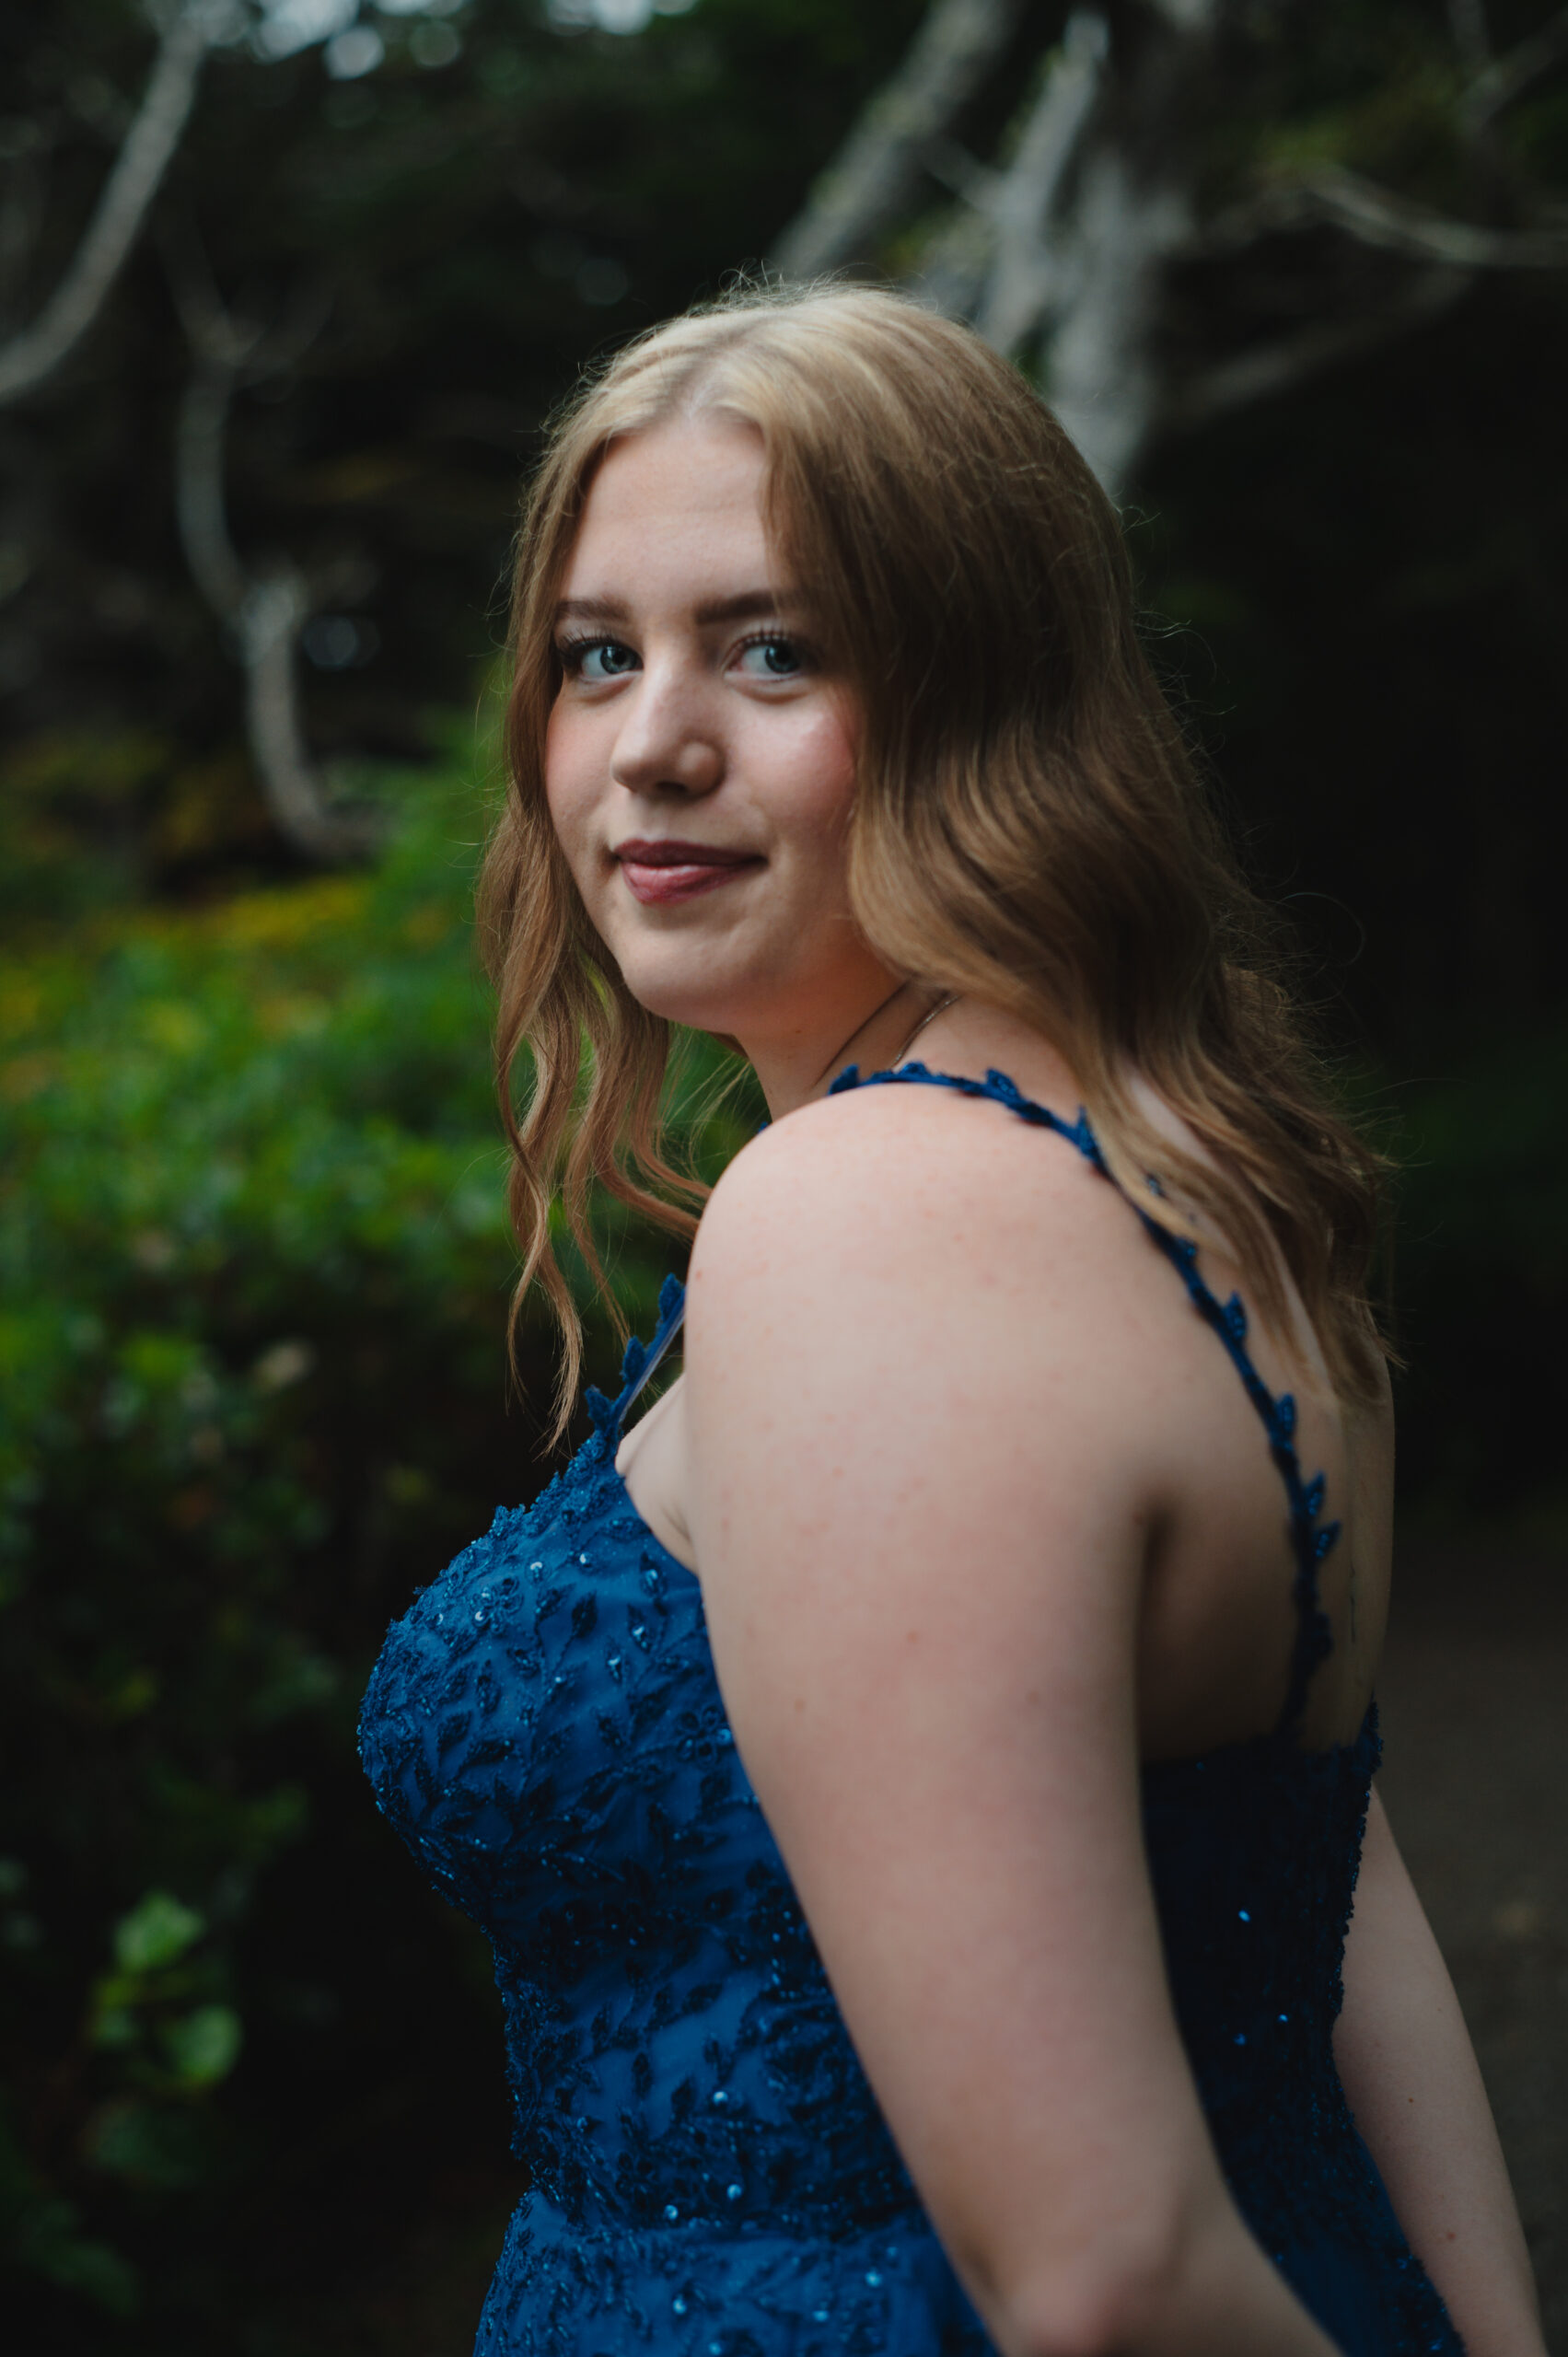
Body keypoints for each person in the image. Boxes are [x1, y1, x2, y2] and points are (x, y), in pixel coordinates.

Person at [358, 286, 1545, 2357]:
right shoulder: (1205, 1164)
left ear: (988, 692)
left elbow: (1098, 2274)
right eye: (596, 655)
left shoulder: (869, 1218)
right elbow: (1310, 1888)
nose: (652, 741)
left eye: (775, 647)